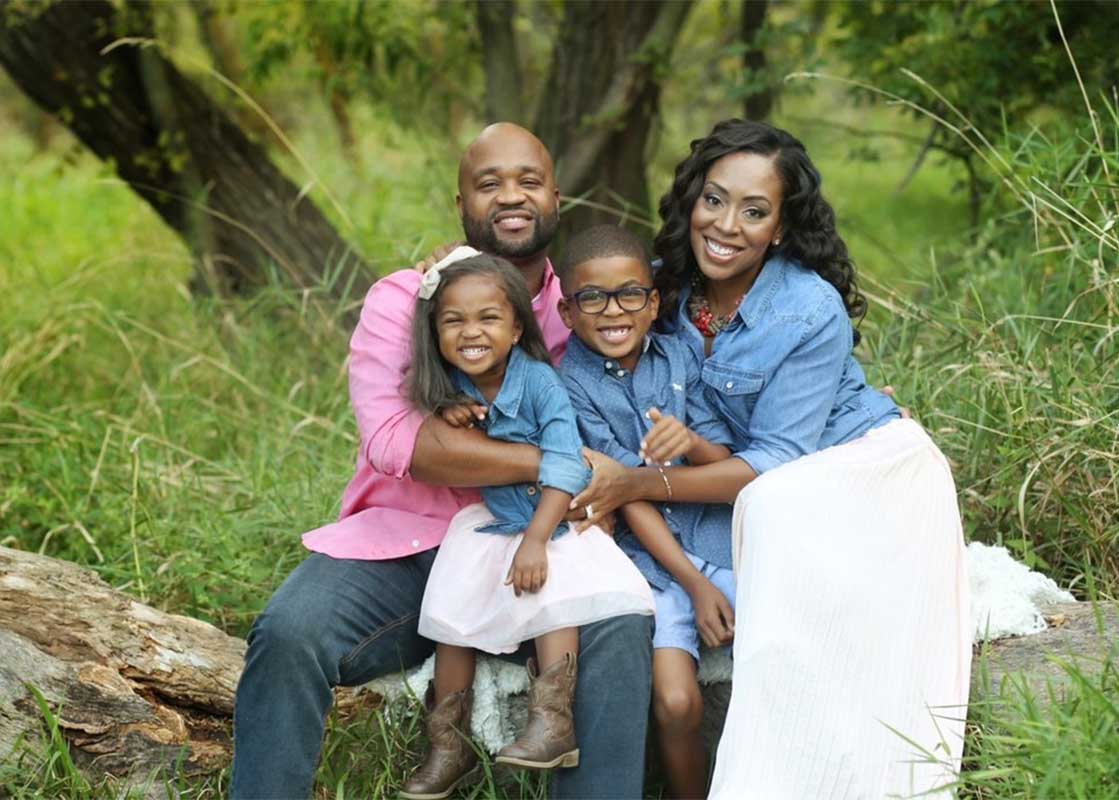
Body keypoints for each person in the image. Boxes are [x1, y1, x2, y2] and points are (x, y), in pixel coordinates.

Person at [229, 123, 654, 800]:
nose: (511, 197)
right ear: (460, 203)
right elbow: (403, 444)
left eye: (528, 181)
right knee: (291, 631)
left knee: (620, 622)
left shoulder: (585, 309)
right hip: (407, 549)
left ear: (556, 196)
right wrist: (554, 460)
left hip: (535, 549)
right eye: (489, 184)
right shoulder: (405, 300)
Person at [571, 119, 972, 797]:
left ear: (781, 228)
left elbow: (776, 464)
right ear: (692, 200)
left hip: (858, 471)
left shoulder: (809, 309)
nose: (726, 225)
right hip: (742, 483)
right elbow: (561, 316)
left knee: (774, 531)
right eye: (715, 200)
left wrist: (634, 483)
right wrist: (449, 276)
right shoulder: (657, 290)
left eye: (754, 211)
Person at [396, 250, 653, 798]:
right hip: (494, 522)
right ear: (434, 332)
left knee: (556, 597)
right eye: (453, 320)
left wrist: (537, 540)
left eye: (488, 318)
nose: (471, 332)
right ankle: (449, 744)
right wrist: (446, 411)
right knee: (453, 618)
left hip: (553, 519)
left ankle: (551, 725)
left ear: (517, 327)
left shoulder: (540, 383)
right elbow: (433, 427)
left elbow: (564, 461)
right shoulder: (450, 386)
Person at [554, 224, 738, 799]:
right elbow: (620, 495)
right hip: (651, 568)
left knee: (784, 657)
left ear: (653, 301)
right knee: (677, 703)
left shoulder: (680, 354)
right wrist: (693, 586)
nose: (614, 310)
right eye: (592, 297)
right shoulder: (568, 388)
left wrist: (689, 443)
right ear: (566, 311)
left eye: (631, 293)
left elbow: (723, 458)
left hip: (717, 539)